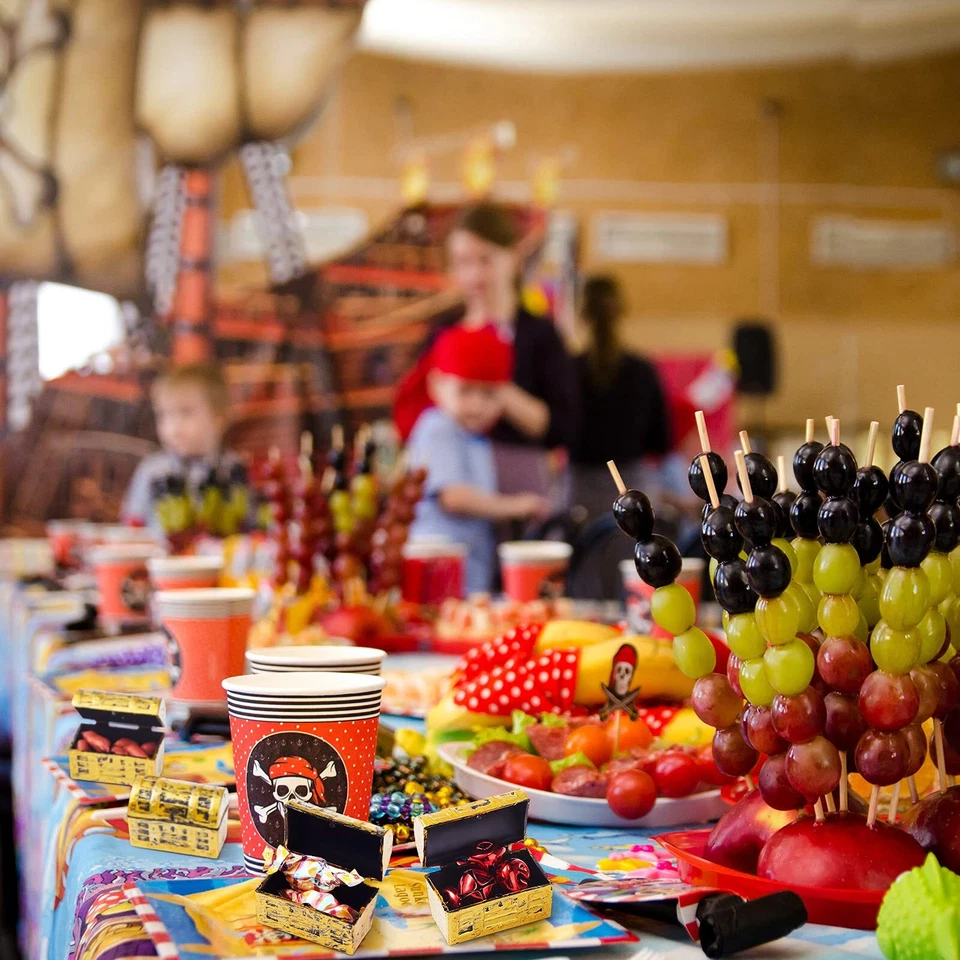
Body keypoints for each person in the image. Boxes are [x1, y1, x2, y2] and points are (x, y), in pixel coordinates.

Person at [395, 202, 580, 503]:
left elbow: (564, 427)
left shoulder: (540, 336)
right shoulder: (443, 331)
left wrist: (494, 389)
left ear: (513, 257)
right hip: (456, 484)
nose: (475, 275)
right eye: (463, 262)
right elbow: (414, 417)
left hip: (523, 487)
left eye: (486, 260)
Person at [405, 324, 549, 594]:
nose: (477, 406)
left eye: (489, 395)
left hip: (470, 574)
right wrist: (516, 506)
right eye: (465, 391)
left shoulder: (477, 438)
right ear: (436, 386)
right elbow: (454, 497)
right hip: (438, 571)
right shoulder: (437, 427)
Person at [570, 275, 671, 521]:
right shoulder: (643, 370)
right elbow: (661, 441)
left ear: (582, 315)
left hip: (579, 491)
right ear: (621, 312)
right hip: (633, 489)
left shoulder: (569, 370)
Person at [123, 363, 244, 528]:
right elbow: (132, 525)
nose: (173, 427)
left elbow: (250, 529)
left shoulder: (235, 469)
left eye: (186, 413)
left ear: (219, 418)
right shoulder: (152, 471)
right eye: (164, 415)